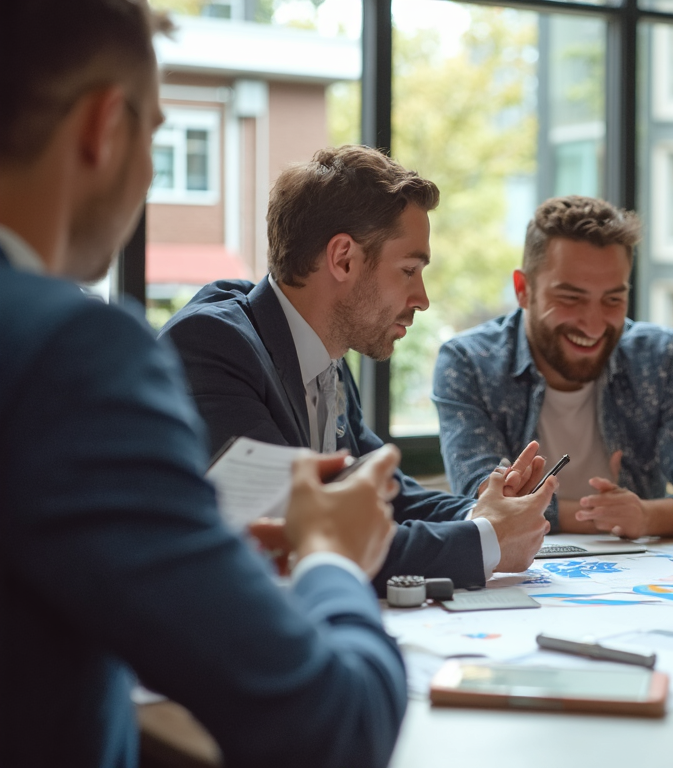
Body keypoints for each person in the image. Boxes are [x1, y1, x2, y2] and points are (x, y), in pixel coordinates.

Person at [0, 2, 409, 766]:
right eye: (156, 132)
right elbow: (333, 729)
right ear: (102, 127)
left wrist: (193, 557)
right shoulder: (72, 353)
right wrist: (330, 558)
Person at [160, 145, 556, 591]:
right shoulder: (213, 346)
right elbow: (312, 538)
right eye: (409, 270)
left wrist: (486, 509)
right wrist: (487, 540)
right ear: (343, 258)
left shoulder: (323, 353)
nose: (422, 298)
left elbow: (389, 495)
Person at [432, 195, 673, 539]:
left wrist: (646, 517)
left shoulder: (659, 355)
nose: (592, 325)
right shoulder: (468, 362)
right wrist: (623, 514)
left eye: (613, 300)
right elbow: (486, 500)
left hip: (639, 575)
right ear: (523, 289)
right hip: (519, 570)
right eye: (570, 298)